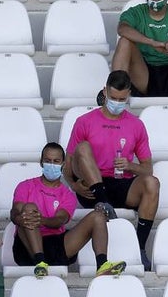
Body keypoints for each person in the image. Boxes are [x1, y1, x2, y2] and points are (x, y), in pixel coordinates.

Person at [64, 70, 159, 269]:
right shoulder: (85, 121)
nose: (117, 102)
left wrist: (130, 165)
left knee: (152, 183)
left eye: (122, 99)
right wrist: (74, 185)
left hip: (120, 183)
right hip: (91, 186)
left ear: (129, 95)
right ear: (105, 92)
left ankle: (139, 247)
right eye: (113, 97)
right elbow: (68, 163)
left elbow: (147, 169)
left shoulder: (136, 125)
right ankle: (103, 202)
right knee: (83, 147)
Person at [12, 142, 127, 277]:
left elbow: (61, 219)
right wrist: (19, 218)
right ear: (41, 162)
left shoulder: (67, 195)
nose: (52, 164)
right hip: (27, 248)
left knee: (98, 216)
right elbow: (15, 211)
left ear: (63, 164)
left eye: (56, 161)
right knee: (29, 208)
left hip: (57, 246)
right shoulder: (25, 186)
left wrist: (41, 220)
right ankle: (40, 263)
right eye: (48, 161)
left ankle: (102, 265)